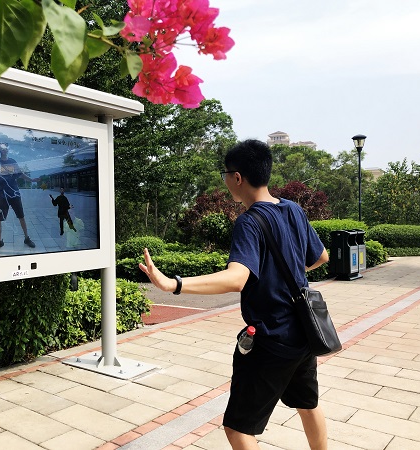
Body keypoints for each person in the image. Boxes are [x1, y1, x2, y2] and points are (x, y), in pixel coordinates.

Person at [139, 139, 329, 450]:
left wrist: (174, 284)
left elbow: (237, 278)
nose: (225, 181)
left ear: (237, 177)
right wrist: (282, 275)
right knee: (307, 404)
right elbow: (320, 256)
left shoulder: (249, 221)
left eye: (225, 174)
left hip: (271, 339)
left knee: (238, 428)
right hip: (304, 333)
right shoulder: (293, 209)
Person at [0, 142, 36, 252]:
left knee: (21, 216)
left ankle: (27, 238)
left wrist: (31, 180)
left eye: (5, 147)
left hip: (15, 194)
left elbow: (20, 174)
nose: (4, 149)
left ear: (7, 149)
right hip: (3, 196)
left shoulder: (12, 161)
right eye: (1, 148)